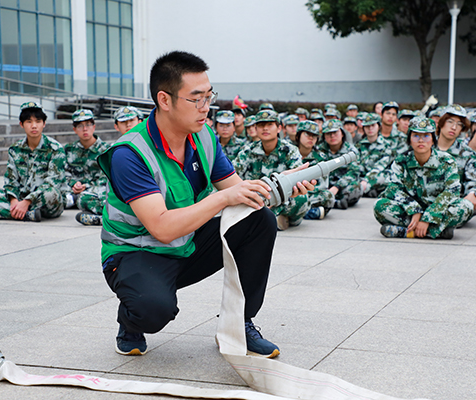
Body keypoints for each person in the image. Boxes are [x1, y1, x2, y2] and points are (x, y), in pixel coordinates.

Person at [96, 51, 312, 359]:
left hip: (186, 243)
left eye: (209, 97)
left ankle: (239, 324)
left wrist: (281, 185)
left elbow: (239, 192)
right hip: (137, 252)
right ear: (164, 99)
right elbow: (162, 228)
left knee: (258, 219)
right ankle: (131, 319)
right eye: (196, 99)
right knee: (153, 309)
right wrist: (220, 198)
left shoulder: (204, 137)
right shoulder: (130, 153)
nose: (206, 107)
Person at [374, 117, 473, 239]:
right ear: (409, 140)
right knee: (379, 205)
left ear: (433, 140)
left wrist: (428, 217)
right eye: (416, 136)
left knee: (466, 207)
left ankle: (408, 232)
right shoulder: (401, 161)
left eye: (426, 136)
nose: (421, 140)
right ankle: (437, 231)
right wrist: (414, 209)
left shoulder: (446, 160)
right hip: (411, 212)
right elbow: (393, 188)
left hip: (438, 210)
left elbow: (452, 191)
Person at [0, 102, 65, 222]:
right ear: (21, 124)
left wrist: (27, 201)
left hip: (44, 201)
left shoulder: (55, 148)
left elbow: (53, 182)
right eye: (29, 122)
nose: (34, 126)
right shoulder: (15, 149)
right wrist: (13, 199)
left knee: (51, 193)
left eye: (38, 121)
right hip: (21, 198)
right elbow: (11, 180)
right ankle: (27, 214)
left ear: (44, 124)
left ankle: (10, 212)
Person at [234, 109, 312, 231]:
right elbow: (232, 175)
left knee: (301, 198)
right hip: (255, 198)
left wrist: (273, 202)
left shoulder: (289, 150)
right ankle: (272, 218)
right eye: (261, 125)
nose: (265, 128)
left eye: (270, 124)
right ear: (256, 129)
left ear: (279, 128)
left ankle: (270, 216)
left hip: (281, 199)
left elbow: (296, 180)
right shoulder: (248, 151)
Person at [435, 104, 476, 217]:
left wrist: (473, 193)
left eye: (459, 124)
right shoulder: (425, 147)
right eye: (450, 122)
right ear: (441, 122)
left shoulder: (468, 154)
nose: (454, 127)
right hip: (425, 201)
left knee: (465, 206)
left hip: (453, 205)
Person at [63, 109, 111, 226]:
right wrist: (74, 184)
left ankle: (108, 218)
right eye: (80, 126)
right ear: (74, 129)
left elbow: (105, 178)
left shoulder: (105, 149)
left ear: (94, 127)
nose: (85, 129)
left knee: (87, 198)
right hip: (73, 190)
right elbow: (63, 171)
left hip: (96, 190)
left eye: (88, 125)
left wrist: (86, 186)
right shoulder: (69, 149)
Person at [317, 119, 362, 209]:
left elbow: (353, 172)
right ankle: (335, 203)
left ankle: (329, 202)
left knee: (356, 187)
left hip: (342, 187)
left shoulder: (351, 151)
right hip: (324, 186)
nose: (332, 136)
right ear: (324, 136)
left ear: (342, 133)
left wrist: (337, 187)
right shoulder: (319, 150)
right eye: (328, 133)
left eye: (335, 132)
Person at [295, 120, 334, 220]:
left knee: (328, 196)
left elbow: (322, 186)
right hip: (290, 193)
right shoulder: (289, 152)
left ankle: (298, 214)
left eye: (314, 135)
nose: (311, 138)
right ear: (298, 135)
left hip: (310, 195)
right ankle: (308, 213)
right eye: (307, 134)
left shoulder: (321, 158)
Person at [357, 113, 395, 197]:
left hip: (379, 176)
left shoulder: (386, 145)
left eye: (373, 125)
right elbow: (357, 165)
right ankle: (369, 191)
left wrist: (366, 180)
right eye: (367, 126)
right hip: (362, 177)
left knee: (383, 177)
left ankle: (362, 190)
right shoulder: (359, 145)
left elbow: (380, 167)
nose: (370, 128)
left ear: (378, 126)